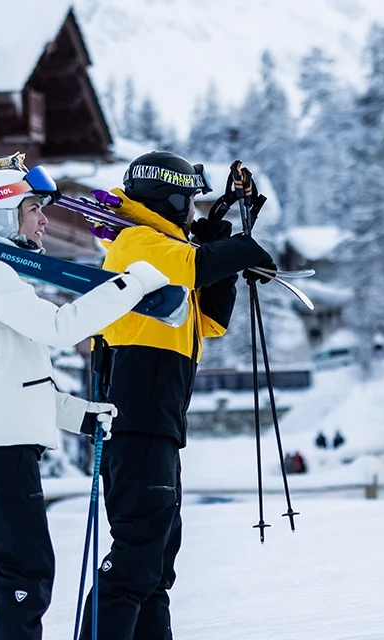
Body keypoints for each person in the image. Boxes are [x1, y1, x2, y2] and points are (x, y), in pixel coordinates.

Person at [0, 166, 174, 640]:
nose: (44, 220)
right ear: (1, 215)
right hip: (1, 452)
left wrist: (80, 416)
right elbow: (60, 327)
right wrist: (131, 283)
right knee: (25, 575)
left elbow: (13, 385)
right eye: (33, 209)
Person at [78, 152, 278, 640]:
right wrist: (238, 249)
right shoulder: (136, 242)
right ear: (168, 199)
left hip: (158, 428)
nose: (193, 212)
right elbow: (196, 265)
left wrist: (224, 254)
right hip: (135, 425)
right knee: (136, 558)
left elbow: (209, 319)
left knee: (156, 565)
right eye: (189, 202)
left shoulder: (165, 252)